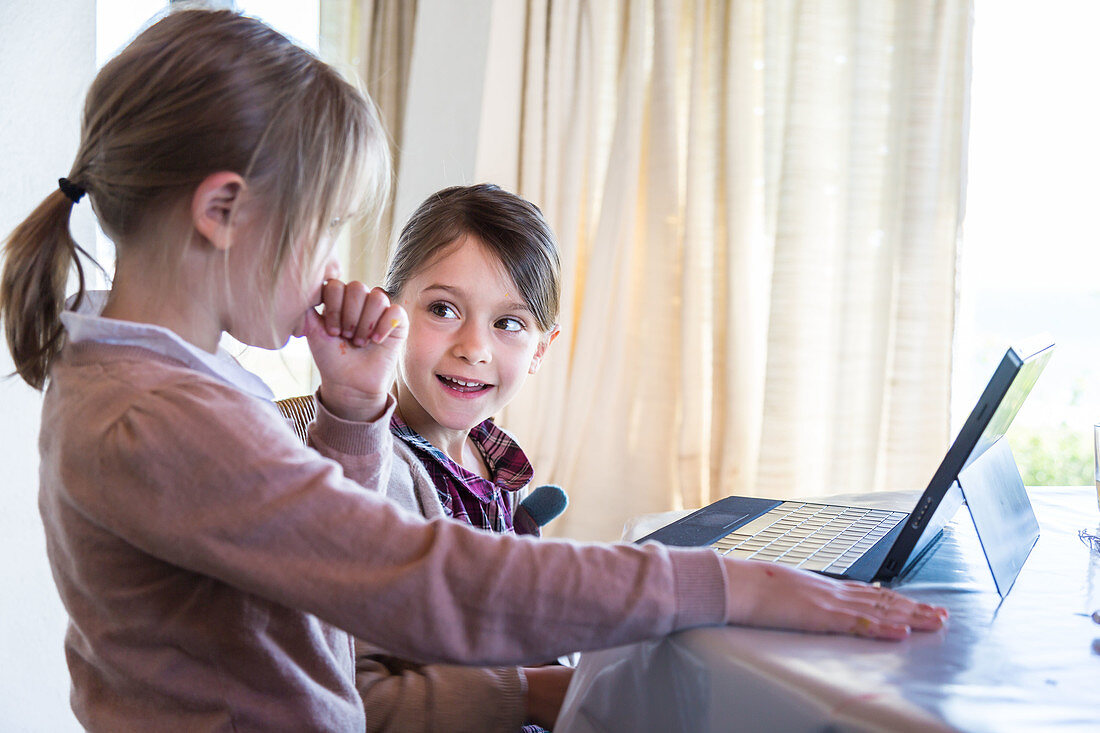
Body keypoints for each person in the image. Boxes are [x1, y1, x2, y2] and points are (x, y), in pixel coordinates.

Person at [0, 7, 947, 732]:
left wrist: (352, 410)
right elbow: (412, 583)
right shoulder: (157, 416)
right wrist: (723, 583)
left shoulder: (161, 379)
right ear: (223, 210)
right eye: (325, 225)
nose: (334, 263)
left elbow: (328, 566)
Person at [352, 184, 568, 732]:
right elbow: (357, 699)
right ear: (389, 313)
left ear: (540, 349)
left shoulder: (492, 460)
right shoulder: (370, 475)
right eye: (444, 309)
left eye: (508, 323)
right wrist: (533, 692)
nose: (474, 347)